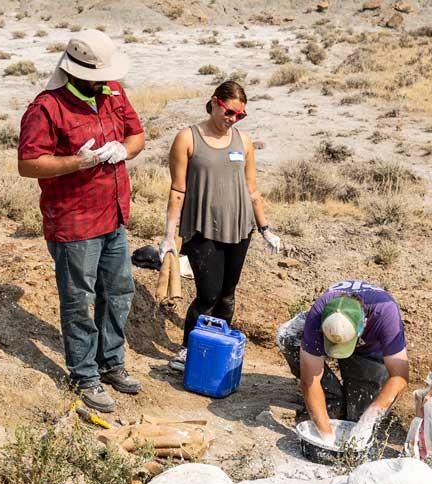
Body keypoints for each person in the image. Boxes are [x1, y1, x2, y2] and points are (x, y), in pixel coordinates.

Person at [17, 31, 146, 413]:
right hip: (74, 222)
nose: (104, 80)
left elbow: (137, 136)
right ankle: (84, 373)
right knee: (78, 299)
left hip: (114, 214)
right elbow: (28, 164)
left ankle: (112, 363)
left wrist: (124, 149)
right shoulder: (46, 109)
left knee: (119, 291)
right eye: (98, 74)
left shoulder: (113, 93)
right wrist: (79, 161)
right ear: (75, 72)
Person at [158, 81, 285, 373]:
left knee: (228, 293)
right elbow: (177, 189)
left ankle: (215, 348)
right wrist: (168, 234)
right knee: (208, 295)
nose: (233, 120)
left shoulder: (244, 141)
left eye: (240, 116)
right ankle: (187, 350)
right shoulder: (187, 138)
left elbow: (252, 189)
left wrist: (265, 229)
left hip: (240, 228)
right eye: (229, 112)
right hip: (203, 229)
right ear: (215, 102)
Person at [277, 280, 409, 447]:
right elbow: (309, 380)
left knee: (359, 417)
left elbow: (400, 376)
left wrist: (367, 421)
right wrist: (326, 437)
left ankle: (354, 391)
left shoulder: (386, 313)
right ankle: (332, 397)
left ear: (364, 324)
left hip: (369, 349)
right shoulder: (319, 313)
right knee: (287, 336)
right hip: (324, 331)